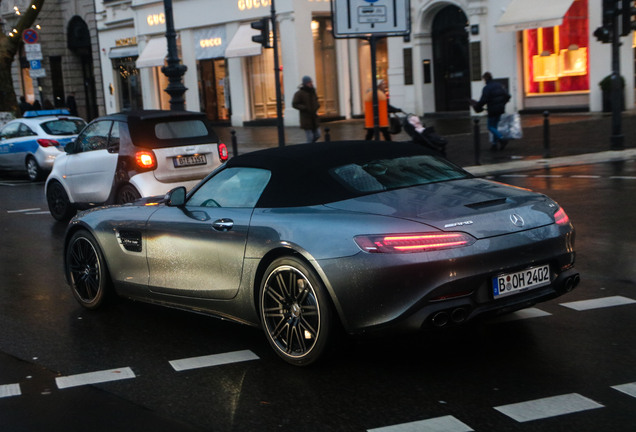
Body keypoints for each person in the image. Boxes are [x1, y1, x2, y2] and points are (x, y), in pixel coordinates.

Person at [470, 72, 511, 151]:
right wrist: (503, 103)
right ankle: (494, 145)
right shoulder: (499, 85)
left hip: (492, 109)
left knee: (490, 127)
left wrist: (478, 106)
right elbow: (508, 96)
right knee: (495, 126)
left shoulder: (487, 88)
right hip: (500, 109)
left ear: (485, 79)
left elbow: (483, 100)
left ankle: (502, 139)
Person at [292, 76, 320, 143]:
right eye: (309, 82)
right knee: (309, 137)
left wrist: (317, 106)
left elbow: (316, 100)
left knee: (318, 134)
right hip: (306, 118)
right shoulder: (299, 93)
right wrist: (304, 108)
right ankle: (309, 148)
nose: (310, 83)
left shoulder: (313, 91)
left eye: (311, 82)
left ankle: (311, 146)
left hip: (314, 117)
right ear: (305, 83)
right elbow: (295, 104)